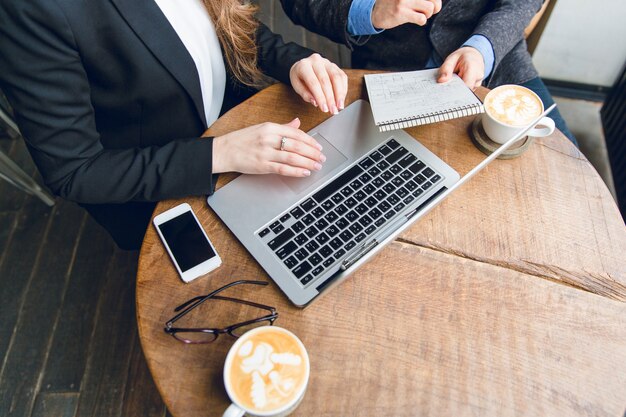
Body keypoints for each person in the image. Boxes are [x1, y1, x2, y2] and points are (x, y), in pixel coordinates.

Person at [0, 0, 348, 250]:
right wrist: (221, 152)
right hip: (162, 186)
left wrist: (292, 60)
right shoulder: (31, 8)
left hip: (241, 133)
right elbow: (74, 171)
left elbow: (226, 23)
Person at [280, 0, 577, 144]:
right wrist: (368, 10)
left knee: (566, 168)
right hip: (387, 69)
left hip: (497, 60)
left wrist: (482, 48)